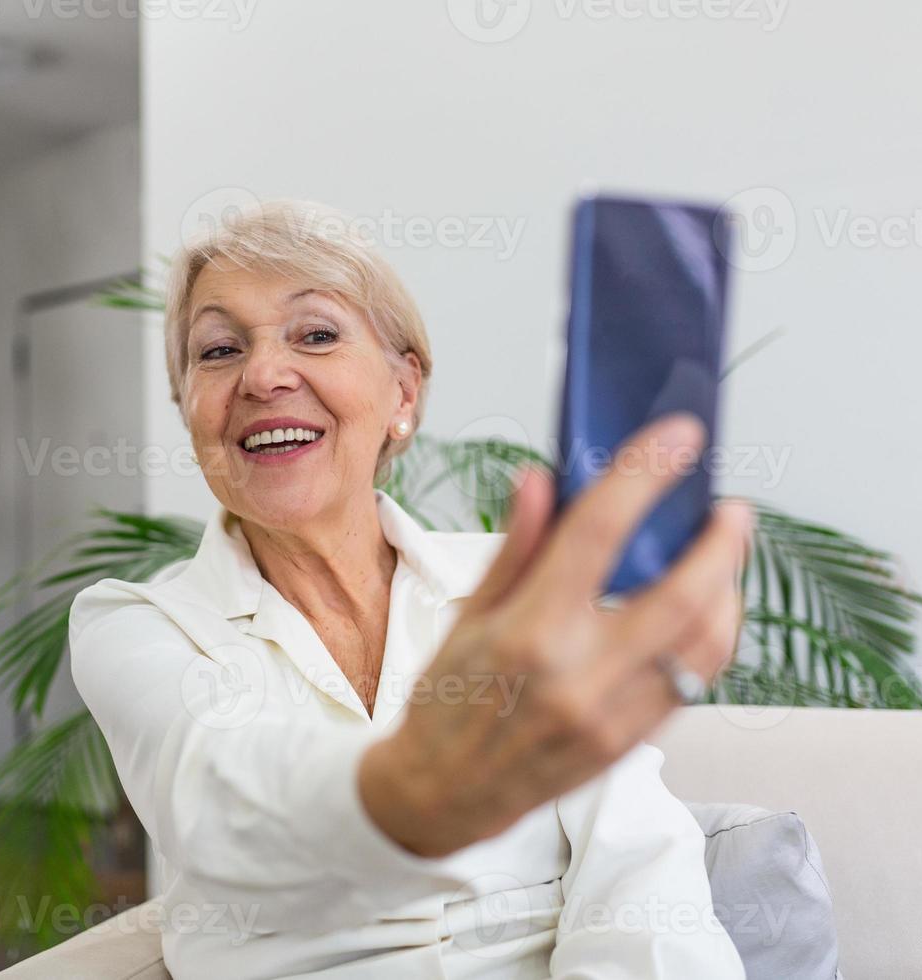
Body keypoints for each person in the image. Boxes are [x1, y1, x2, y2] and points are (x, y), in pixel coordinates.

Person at [68, 199, 752, 978]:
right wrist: (415, 790)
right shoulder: (135, 625)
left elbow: (641, 882)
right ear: (189, 409)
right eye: (218, 350)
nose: (261, 375)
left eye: (316, 334)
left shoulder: (519, 590)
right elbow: (221, 810)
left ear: (403, 393)